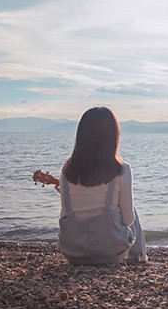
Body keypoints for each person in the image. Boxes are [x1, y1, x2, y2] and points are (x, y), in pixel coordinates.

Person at [44, 106, 147, 265]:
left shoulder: (67, 169)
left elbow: (64, 215)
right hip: (110, 252)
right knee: (131, 210)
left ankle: (138, 257)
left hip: (73, 252)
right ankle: (139, 258)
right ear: (113, 135)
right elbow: (128, 220)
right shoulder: (122, 169)